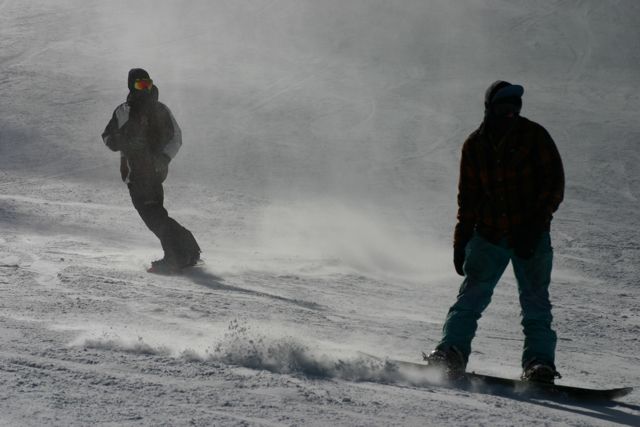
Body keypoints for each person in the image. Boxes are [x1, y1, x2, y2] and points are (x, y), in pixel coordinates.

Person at [425, 81, 565, 383]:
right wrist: (461, 241)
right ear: (490, 107)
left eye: (516, 105)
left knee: (535, 302)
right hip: (489, 235)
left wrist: (537, 222)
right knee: (471, 298)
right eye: (504, 105)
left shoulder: (534, 136)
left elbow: (554, 183)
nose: (511, 111)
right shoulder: (475, 145)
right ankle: (451, 352)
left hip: (531, 237)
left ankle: (539, 364)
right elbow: (469, 198)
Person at [102, 68, 201, 273]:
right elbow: (107, 136)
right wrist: (118, 143)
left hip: (151, 172)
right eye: (140, 85)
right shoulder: (123, 111)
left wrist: (164, 159)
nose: (145, 90)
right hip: (135, 172)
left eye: (148, 84)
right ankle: (188, 250)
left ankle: (176, 256)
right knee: (156, 215)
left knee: (153, 216)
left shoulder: (160, 110)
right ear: (131, 86)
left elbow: (176, 137)